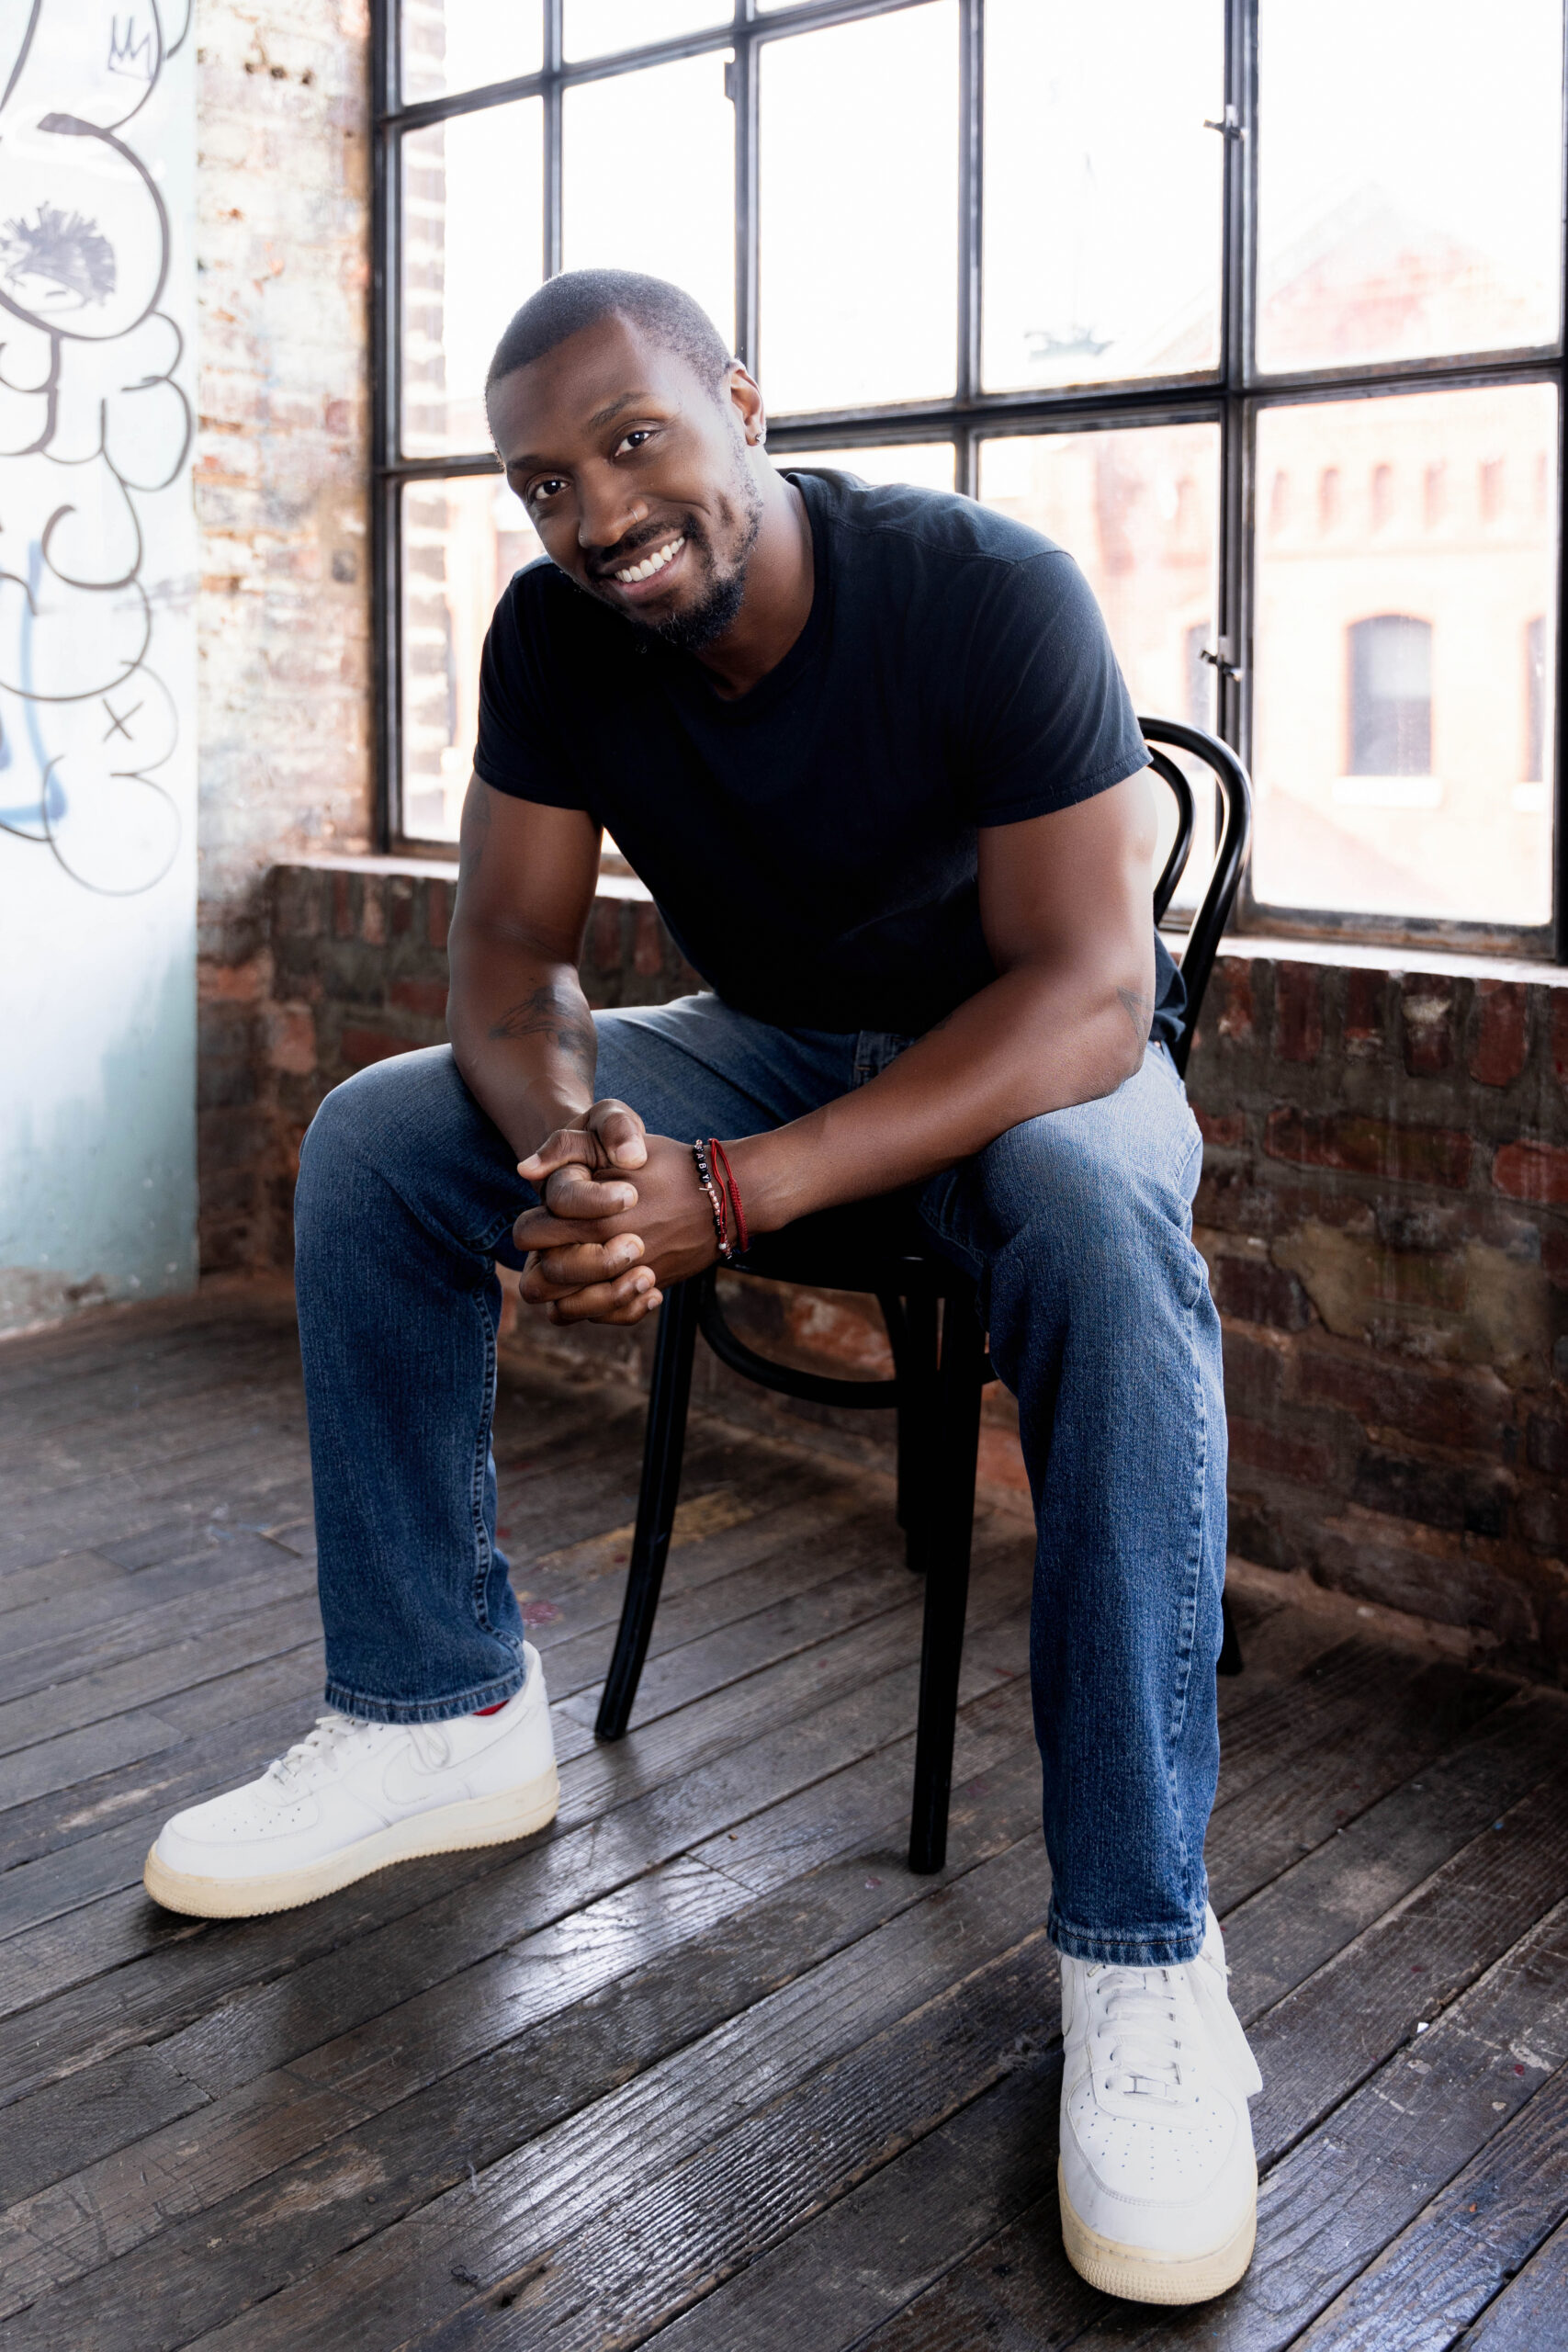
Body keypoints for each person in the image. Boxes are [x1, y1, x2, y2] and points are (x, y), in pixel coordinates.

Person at [144, 269, 1260, 2306]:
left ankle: (1142, 1950)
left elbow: (1090, 993)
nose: (593, 511)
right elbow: (504, 967)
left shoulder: (978, 592)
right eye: (541, 482)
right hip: (767, 1035)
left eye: (632, 441)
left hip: (1024, 1061)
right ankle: (438, 1705)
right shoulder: (560, 634)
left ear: (740, 401)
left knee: (1105, 1236)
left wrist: (726, 1195)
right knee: (395, 1135)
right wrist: (582, 1139)